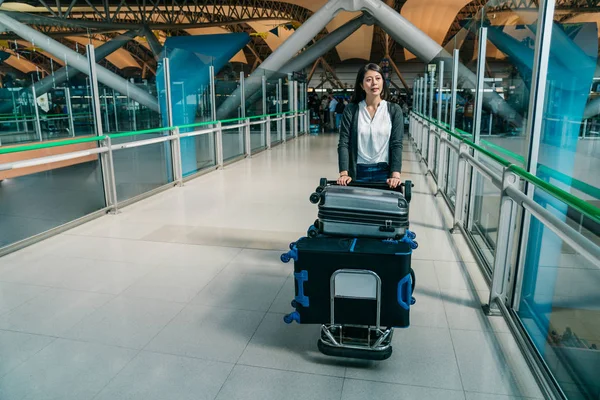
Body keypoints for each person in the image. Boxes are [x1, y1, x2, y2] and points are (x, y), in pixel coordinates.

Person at [337, 63, 404, 189]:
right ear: (362, 85)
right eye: (368, 80)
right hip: (357, 171)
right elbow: (344, 142)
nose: (374, 83)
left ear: (383, 82)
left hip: (384, 172)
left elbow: (396, 143)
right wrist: (344, 173)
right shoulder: (351, 110)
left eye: (378, 78)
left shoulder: (394, 110)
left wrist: (395, 174)